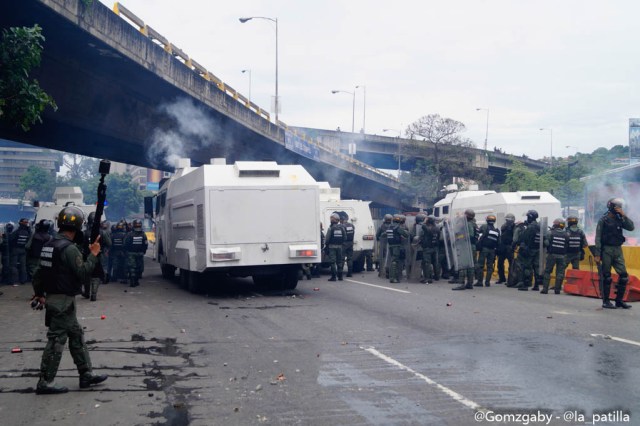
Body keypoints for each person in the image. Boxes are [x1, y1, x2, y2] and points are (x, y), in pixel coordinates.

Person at [31, 206, 108, 394]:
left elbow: (38, 273)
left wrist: (40, 294)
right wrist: (94, 254)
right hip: (62, 302)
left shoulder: (49, 245)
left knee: (76, 336)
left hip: (58, 299)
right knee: (56, 341)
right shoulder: (69, 249)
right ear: (78, 226)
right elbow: (83, 273)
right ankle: (45, 382)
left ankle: (86, 374)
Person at [594, 198, 635, 309]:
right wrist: (597, 254)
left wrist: (624, 215)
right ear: (612, 207)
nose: (619, 209)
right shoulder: (603, 220)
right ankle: (606, 301)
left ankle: (619, 301)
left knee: (624, 276)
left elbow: (631, 227)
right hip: (606, 250)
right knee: (606, 277)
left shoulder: (620, 219)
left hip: (617, 249)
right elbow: (597, 237)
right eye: (618, 207)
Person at [82, 212, 112, 301]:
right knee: (96, 275)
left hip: (87, 256)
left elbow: (80, 245)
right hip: (99, 256)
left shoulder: (84, 233)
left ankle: (87, 292)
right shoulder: (103, 232)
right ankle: (94, 293)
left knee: (87, 273)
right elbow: (109, 243)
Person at [515, 210, 542, 291]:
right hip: (537, 249)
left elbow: (523, 237)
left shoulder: (530, 227)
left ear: (530, 217)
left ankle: (525, 284)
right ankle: (536, 285)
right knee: (536, 267)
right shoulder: (539, 226)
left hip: (529, 250)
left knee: (527, 267)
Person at [452, 209, 479, 290]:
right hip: (472, 246)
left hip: (466, 246)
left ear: (467, 216)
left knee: (463, 264)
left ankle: (462, 284)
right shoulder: (474, 224)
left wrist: (458, 238)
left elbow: (469, 236)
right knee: (470, 265)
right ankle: (470, 283)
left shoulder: (468, 224)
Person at [541, 218, 568, 294]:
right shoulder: (566, 234)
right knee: (560, 273)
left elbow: (546, 243)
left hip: (552, 255)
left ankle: (545, 289)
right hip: (562, 256)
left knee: (547, 271)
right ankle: (557, 290)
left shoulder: (550, 233)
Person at [475, 214, 500, 287]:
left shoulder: (484, 226)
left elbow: (478, 232)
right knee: (490, 267)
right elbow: (498, 242)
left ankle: (480, 282)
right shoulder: (496, 230)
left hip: (484, 249)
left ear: (487, 220)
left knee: (480, 265)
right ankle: (487, 282)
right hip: (492, 250)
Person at [26, 220, 53, 288]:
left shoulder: (34, 235)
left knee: (34, 275)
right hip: (45, 258)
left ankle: (38, 292)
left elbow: (27, 246)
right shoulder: (50, 237)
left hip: (34, 258)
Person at [124, 219, 148, 287]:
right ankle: (136, 281)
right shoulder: (143, 234)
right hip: (140, 253)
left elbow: (126, 244)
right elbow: (145, 244)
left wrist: (127, 251)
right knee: (138, 267)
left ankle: (132, 281)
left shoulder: (129, 234)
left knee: (132, 267)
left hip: (131, 253)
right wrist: (144, 251)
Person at [9, 218, 32, 285]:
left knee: (14, 265)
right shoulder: (27, 232)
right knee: (23, 265)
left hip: (15, 249)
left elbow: (11, 239)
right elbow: (29, 240)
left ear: (20, 223)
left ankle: (14, 281)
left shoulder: (17, 231)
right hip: (23, 250)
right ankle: (23, 280)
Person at [387, 214, 409, 283]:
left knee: (392, 261)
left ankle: (392, 277)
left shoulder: (389, 227)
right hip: (396, 246)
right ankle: (393, 278)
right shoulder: (397, 227)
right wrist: (406, 231)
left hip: (390, 246)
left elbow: (383, 235)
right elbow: (406, 235)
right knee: (395, 262)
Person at [324, 213, 345, 281]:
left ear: (334, 219)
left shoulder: (331, 228)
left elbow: (327, 239)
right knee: (339, 261)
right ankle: (340, 276)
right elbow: (345, 238)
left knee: (333, 262)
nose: (330, 219)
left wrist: (326, 245)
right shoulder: (342, 228)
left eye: (331, 218)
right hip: (340, 247)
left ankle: (333, 277)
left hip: (332, 247)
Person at [496, 213, 516, 284]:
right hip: (503, 246)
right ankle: (502, 278)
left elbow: (515, 237)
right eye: (507, 220)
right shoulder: (504, 226)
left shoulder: (515, 227)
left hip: (510, 246)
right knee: (500, 263)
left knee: (511, 264)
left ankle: (510, 279)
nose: (508, 221)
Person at [419, 215, 439, 284]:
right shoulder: (436, 228)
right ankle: (435, 276)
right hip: (434, 248)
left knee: (426, 263)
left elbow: (422, 225)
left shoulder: (426, 227)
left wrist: (424, 221)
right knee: (434, 263)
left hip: (427, 248)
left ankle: (427, 278)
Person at [340, 211, 356, 277]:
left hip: (344, 244)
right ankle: (350, 273)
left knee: (342, 258)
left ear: (342, 220)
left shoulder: (342, 226)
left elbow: (341, 235)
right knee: (350, 258)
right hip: (350, 243)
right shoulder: (352, 225)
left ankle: (340, 273)